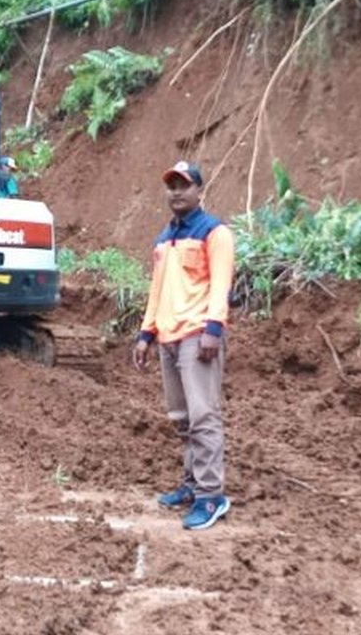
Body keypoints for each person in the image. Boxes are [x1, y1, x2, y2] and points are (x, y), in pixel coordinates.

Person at [132, 160, 236, 531]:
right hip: (168, 337)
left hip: (197, 336)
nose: (176, 191)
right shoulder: (165, 239)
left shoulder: (214, 232)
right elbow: (157, 290)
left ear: (198, 191)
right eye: (171, 185)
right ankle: (192, 485)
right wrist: (146, 334)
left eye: (184, 185)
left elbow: (222, 282)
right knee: (182, 418)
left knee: (204, 415)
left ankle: (212, 496)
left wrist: (213, 328)